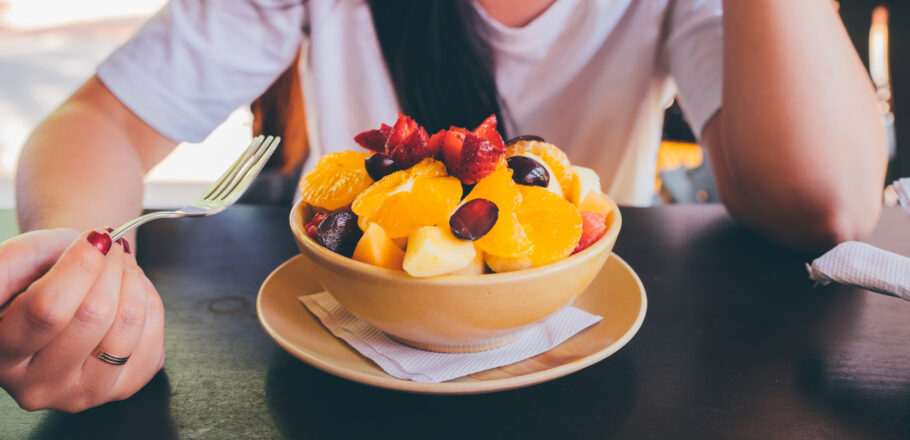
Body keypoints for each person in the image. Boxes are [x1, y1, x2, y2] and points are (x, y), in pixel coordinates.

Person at [3, 0, 887, 411]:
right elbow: (98, 125)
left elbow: (829, 205)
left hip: (584, 379)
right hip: (334, 385)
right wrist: (86, 273)